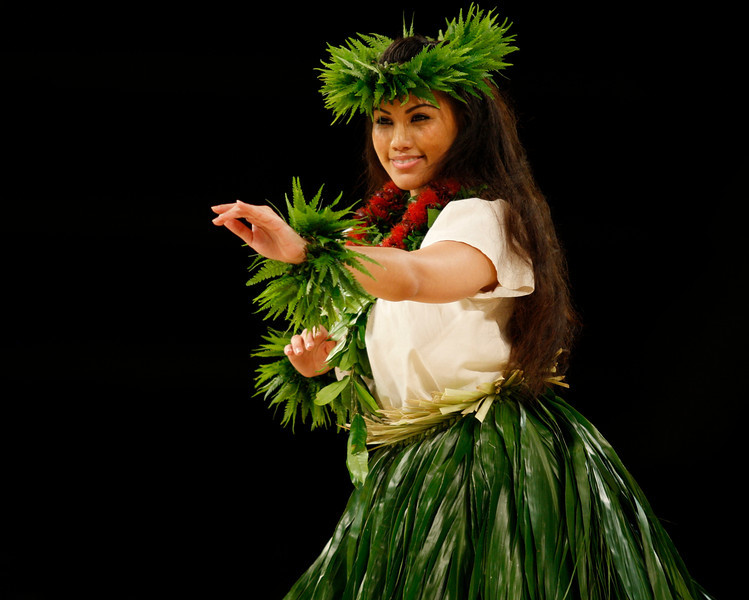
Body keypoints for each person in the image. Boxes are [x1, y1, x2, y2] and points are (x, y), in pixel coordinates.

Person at [212, 6, 712, 599]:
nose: (398, 141)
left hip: (486, 464)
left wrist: (306, 251)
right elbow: (382, 336)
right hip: (410, 464)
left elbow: (421, 277)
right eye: (383, 121)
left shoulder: (484, 215)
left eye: (420, 118)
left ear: (466, 122)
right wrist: (322, 362)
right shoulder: (374, 234)